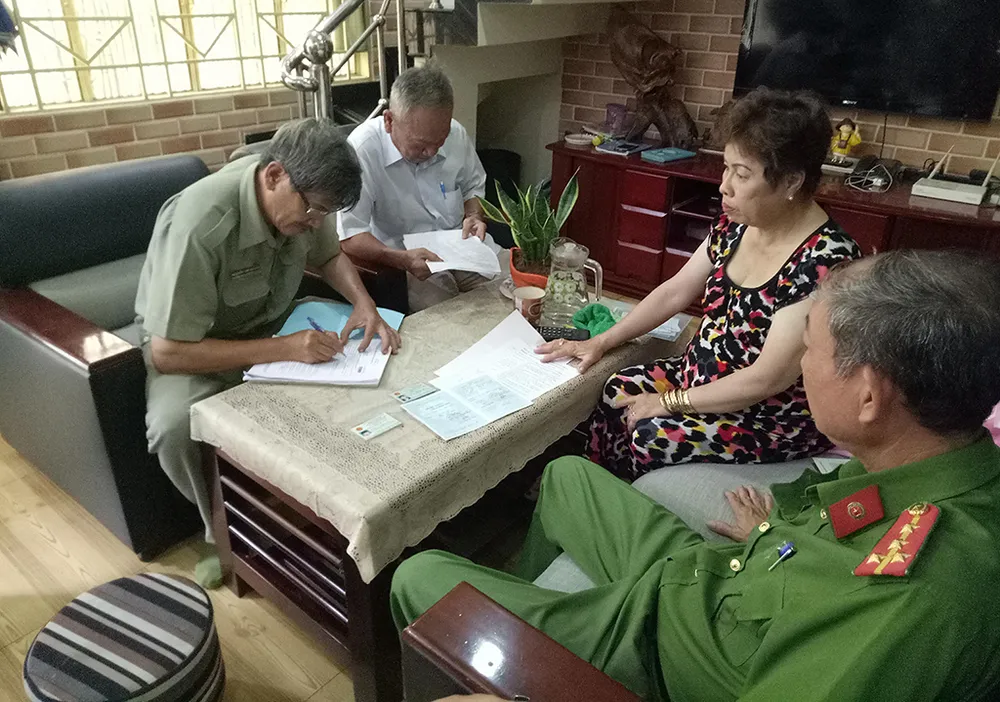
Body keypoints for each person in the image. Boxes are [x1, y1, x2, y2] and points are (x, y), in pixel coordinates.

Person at [392, 249, 1000, 701]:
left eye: (809, 351)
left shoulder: (915, 600)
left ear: (869, 396)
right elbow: (832, 564)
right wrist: (775, 540)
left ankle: (535, 650)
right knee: (567, 475)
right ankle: (535, 621)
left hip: (661, 649)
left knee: (418, 575)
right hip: (724, 575)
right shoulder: (933, 467)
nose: (799, 366)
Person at [538, 87, 862, 481]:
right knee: (617, 389)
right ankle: (599, 488)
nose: (724, 186)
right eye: (726, 168)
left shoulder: (826, 261)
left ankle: (634, 502)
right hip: (698, 378)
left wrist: (670, 402)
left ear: (792, 181)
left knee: (653, 434)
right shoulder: (737, 224)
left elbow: (768, 377)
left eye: (742, 174)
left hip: (763, 415)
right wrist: (601, 341)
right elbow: (675, 291)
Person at [135, 117, 400, 587]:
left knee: (364, 364)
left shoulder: (305, 197)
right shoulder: (201, 222)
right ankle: (220, 534)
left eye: (324, 214)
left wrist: (365, 304)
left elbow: (328, 256)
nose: (315, 223)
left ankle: (322, 516)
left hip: (274, 322)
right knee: (173, 426)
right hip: (199, 347)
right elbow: (168, 352)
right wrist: (285, 349)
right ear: (274, 175)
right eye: (313, 212)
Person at [336, 64, 501, 312]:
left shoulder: (455, 133)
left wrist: (474, 216)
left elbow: (473, 187)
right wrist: (400, 259)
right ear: (389, 121)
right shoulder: (362, 150)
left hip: (462, 247)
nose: (432, 152)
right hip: (404, 259)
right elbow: (350, 236)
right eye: (421, 145)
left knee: (513, 294)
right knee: (450, 319)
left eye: (440, 141)